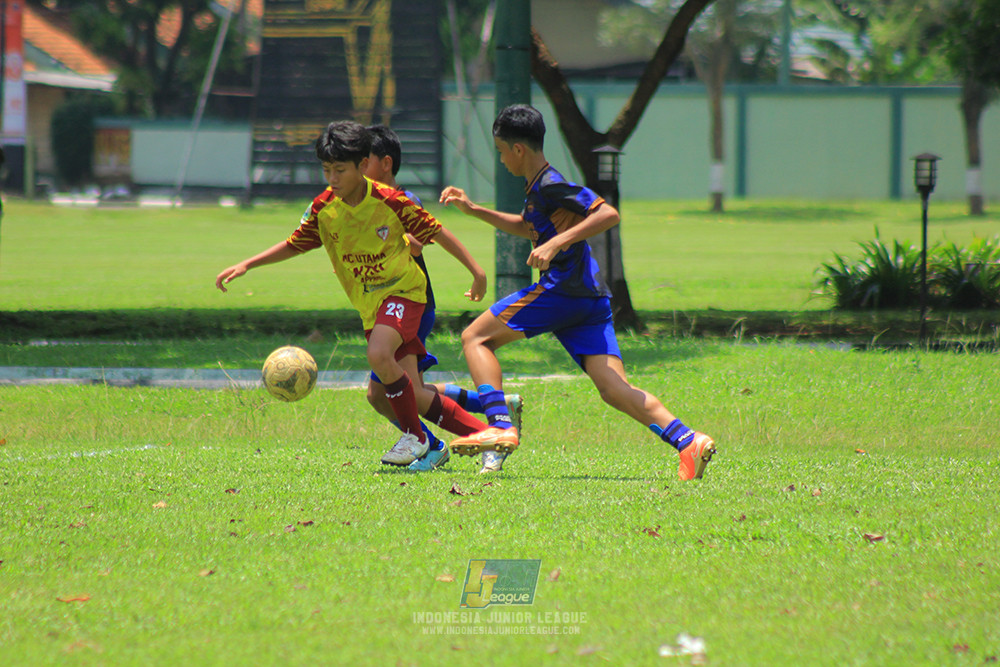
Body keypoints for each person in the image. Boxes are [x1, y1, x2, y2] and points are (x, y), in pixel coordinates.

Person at [440, 104, 716, 480]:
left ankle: (500, 423)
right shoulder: (538, 188)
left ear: (518, 149)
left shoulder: (551, 183)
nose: (502, 160)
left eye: (502, 151)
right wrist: (474, 210)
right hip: (589, 300)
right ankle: (688, 442)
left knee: (475, 337)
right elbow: (528, 226)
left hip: (562, 293)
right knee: (614, 389)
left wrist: (556, 246)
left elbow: (607, 214)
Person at [216, 120, 490, 467]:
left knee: (378, 354)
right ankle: (485, 436)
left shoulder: (391, 201)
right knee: (404, 392)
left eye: (340, 170)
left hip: (405, 292)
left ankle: (418, 438)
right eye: (327, 169)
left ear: (363, 166)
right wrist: (247, 265)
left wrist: (476, 272)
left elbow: (438, 231)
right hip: (370, 305)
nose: (332, 178)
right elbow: (295, 244)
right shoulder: (324, 209)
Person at [364, 124, 522, 473]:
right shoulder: (363, 205)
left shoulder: (402, 202)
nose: (357, 169)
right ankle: (490, 407)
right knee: (385, 394)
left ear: (385, 164)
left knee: (403, 392)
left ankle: (482, 436)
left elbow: (420, 242)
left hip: (411, 307)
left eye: (364, 161)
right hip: (387, 307)